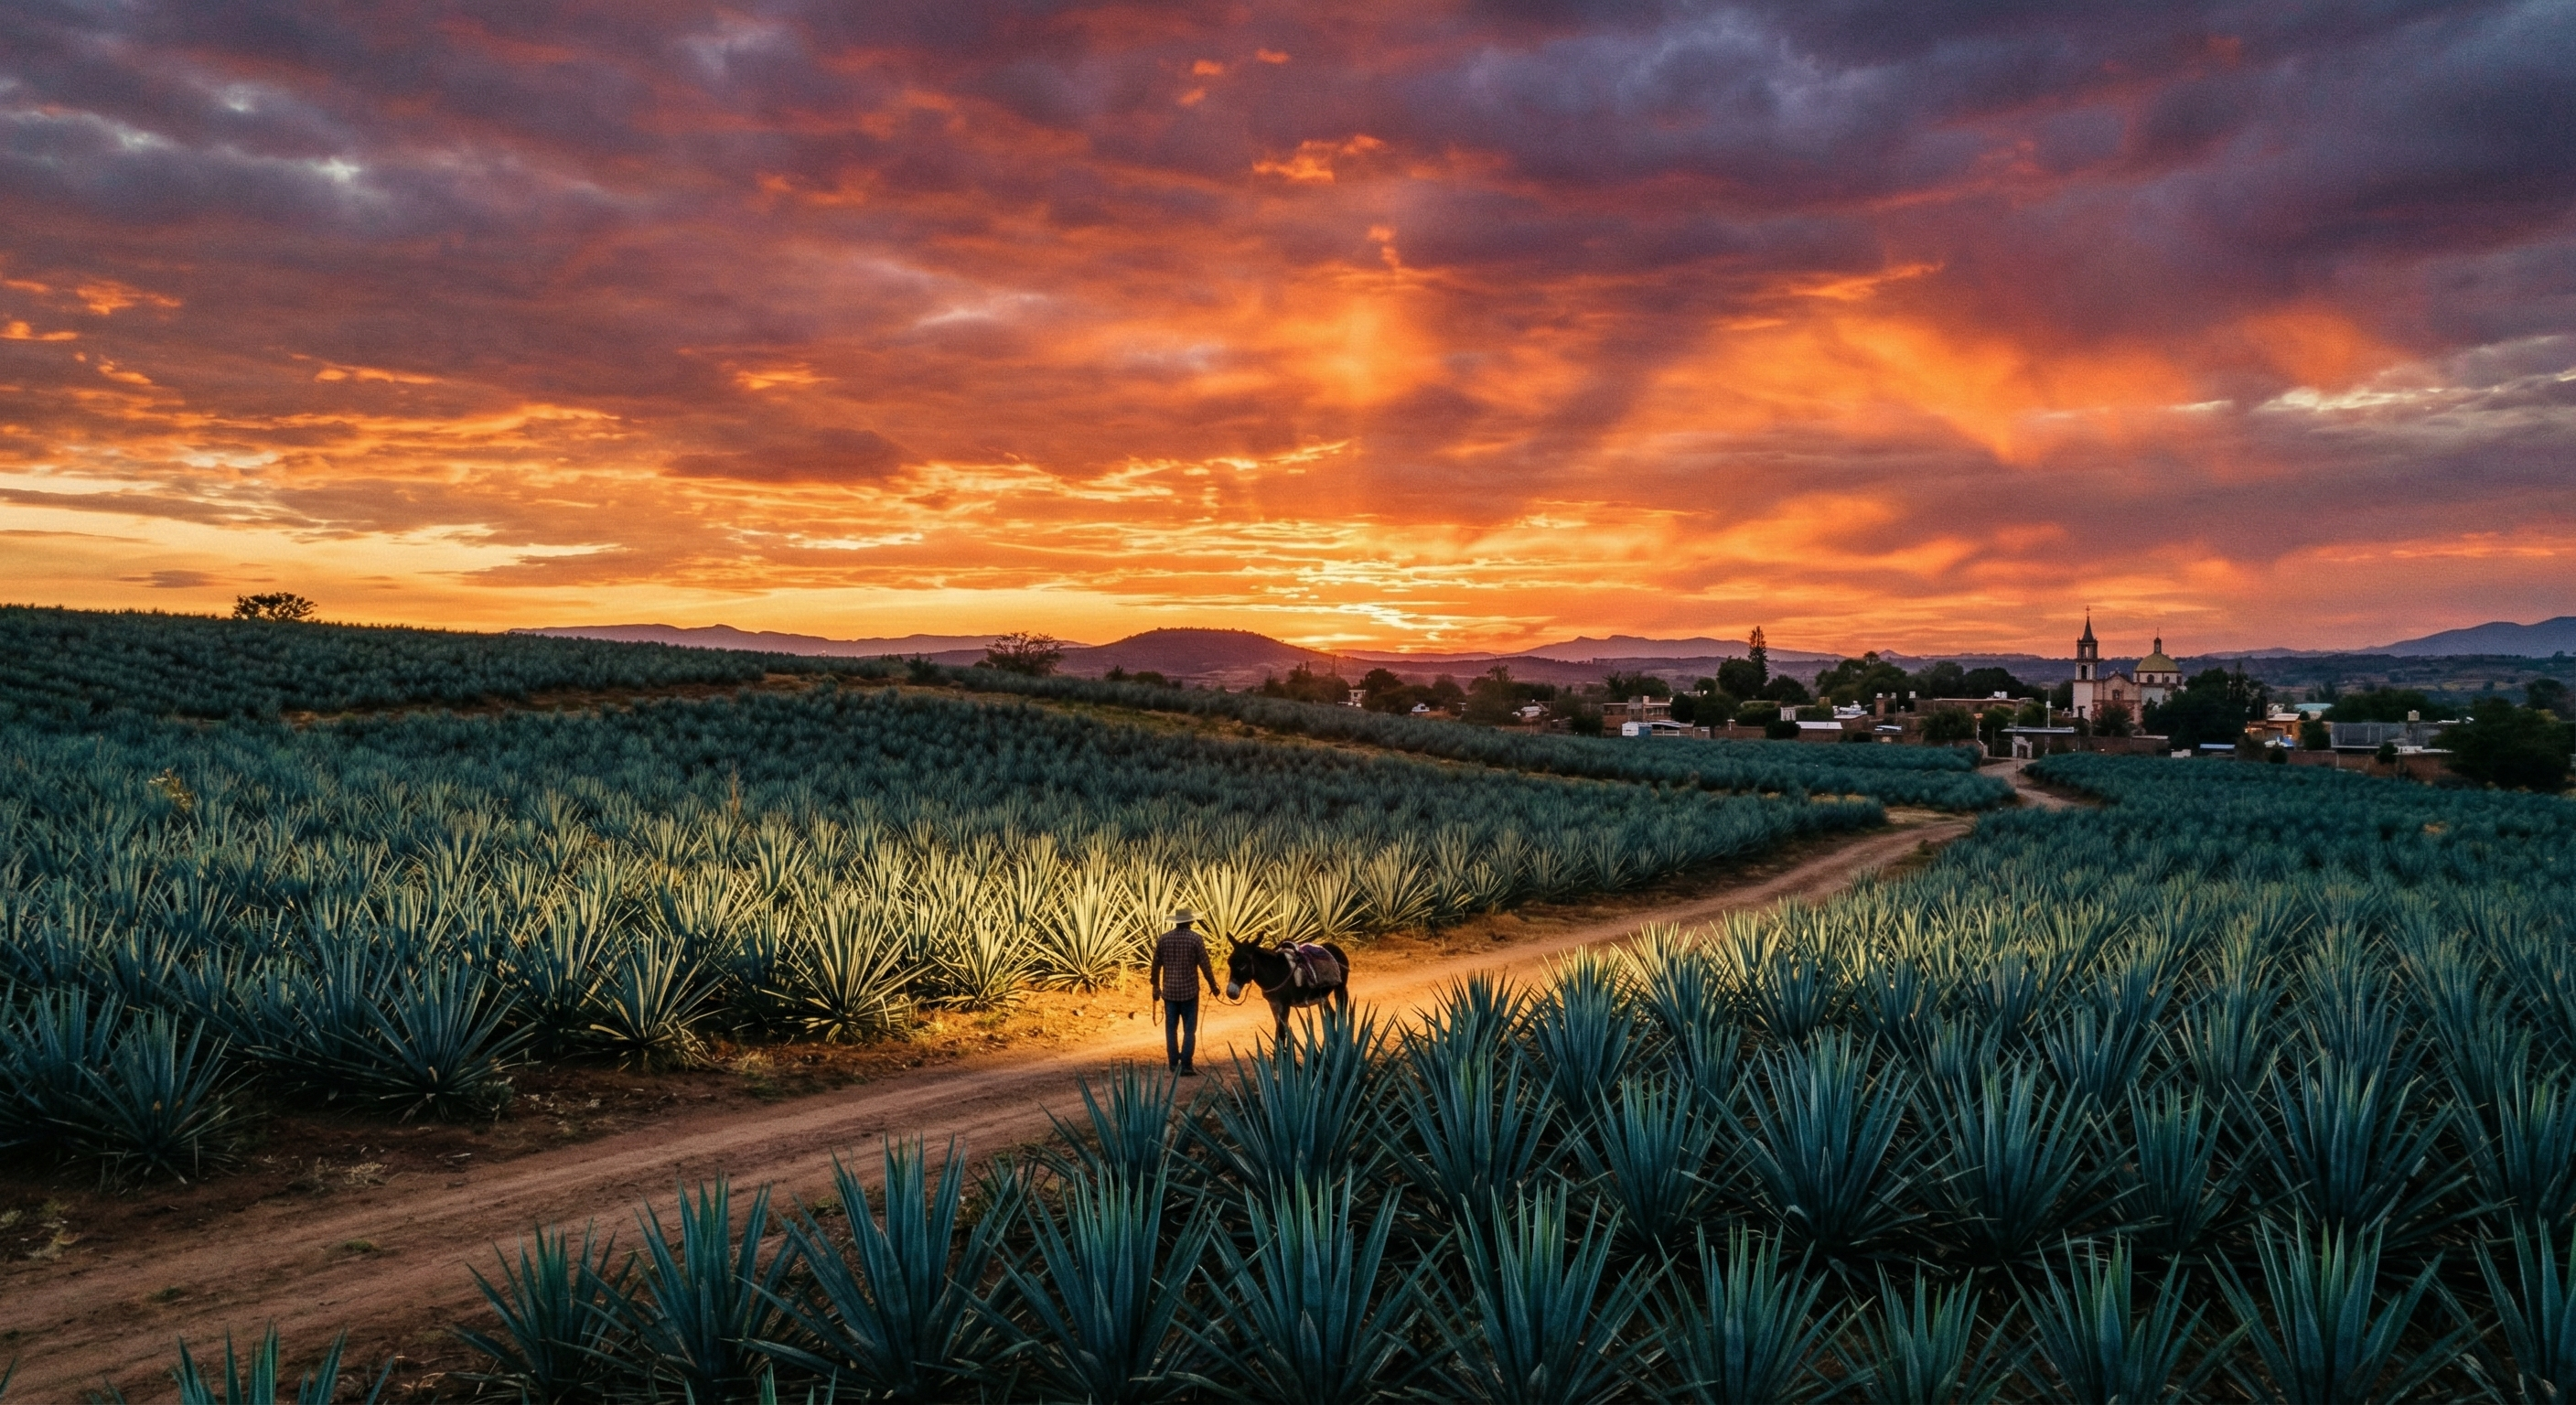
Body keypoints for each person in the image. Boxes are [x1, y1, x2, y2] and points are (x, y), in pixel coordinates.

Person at [1149, 907, 1220, 1077]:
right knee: (1189, 1029)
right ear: (1190, 922)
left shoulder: (1163, 939)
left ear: (1176, 922)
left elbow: (1155, 965)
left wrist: (1156, 987)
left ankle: (1173, 1063)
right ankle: (1186, 1064)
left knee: (1171, 1029)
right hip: (1190, 992)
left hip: (1170, 992)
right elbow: (1205, 965)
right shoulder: (1196, 939)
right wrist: (1213, 986)